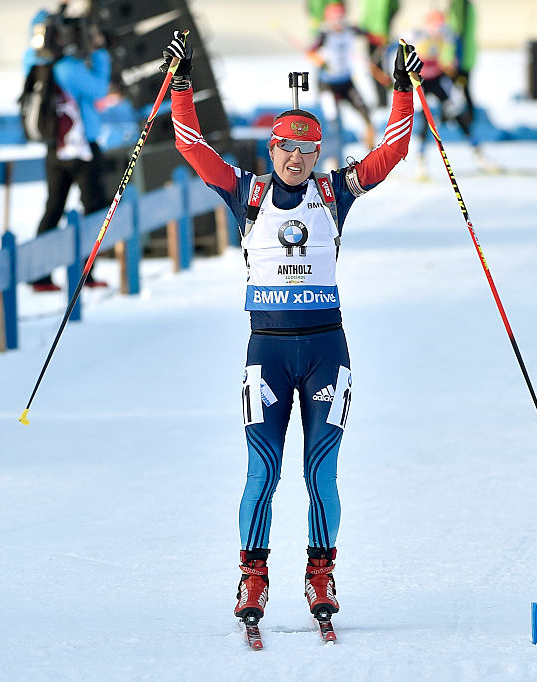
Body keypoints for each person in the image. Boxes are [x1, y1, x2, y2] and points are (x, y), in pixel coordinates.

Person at [160, 31, 422, 631]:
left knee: (320, 472)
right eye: (285, 150)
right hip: (267, 354)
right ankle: (253, 577)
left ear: (317, 155)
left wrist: (403, 90)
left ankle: (321, 571)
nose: (295, 160)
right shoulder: (248, 194)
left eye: (306, 151)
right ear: (272, 150)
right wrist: (181, 86)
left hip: (326, 349)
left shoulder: (333, 192)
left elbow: (391, 153)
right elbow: (193, 147)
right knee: (263, 470)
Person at [24, 6, 111, 292]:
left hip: (54, 150)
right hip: (83, 149)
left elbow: (35, 39)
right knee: (95, 209)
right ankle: (85, 273)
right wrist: (99, 52)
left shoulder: (33, 62)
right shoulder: (69, 68)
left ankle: (39, 274)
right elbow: (99, 89)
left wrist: (46, 19)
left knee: (53, 209)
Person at [410, 10, 491, 180]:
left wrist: (453, 71)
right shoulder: (420, 38)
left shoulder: (446, 36)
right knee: (428, 118)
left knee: (457, 112)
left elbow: (447, 59)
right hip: (422, 81)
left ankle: (478, 153)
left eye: (441, 26)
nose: (438, 30)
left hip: (438, 80)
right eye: (435, 26)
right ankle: (420, 160)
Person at [307, 3, 380, 153]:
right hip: (328, 83)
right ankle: (328, 153)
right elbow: (311, 53)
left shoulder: (350, 29)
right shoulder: (324, 34)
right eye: (335, 20)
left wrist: (380, 40)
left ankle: (372, 151)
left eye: (341, 19)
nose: (338, 24)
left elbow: (371, 36)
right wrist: (319, 59)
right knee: (331, 118)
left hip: (346, 81)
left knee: (366, 113)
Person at [359, 0, 400, 108]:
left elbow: (395, 8)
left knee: (379, 68)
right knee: (375, 68)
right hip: (370, 33)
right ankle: (383, 101)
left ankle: (386, 101)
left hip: (380, 35)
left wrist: (385, 29)